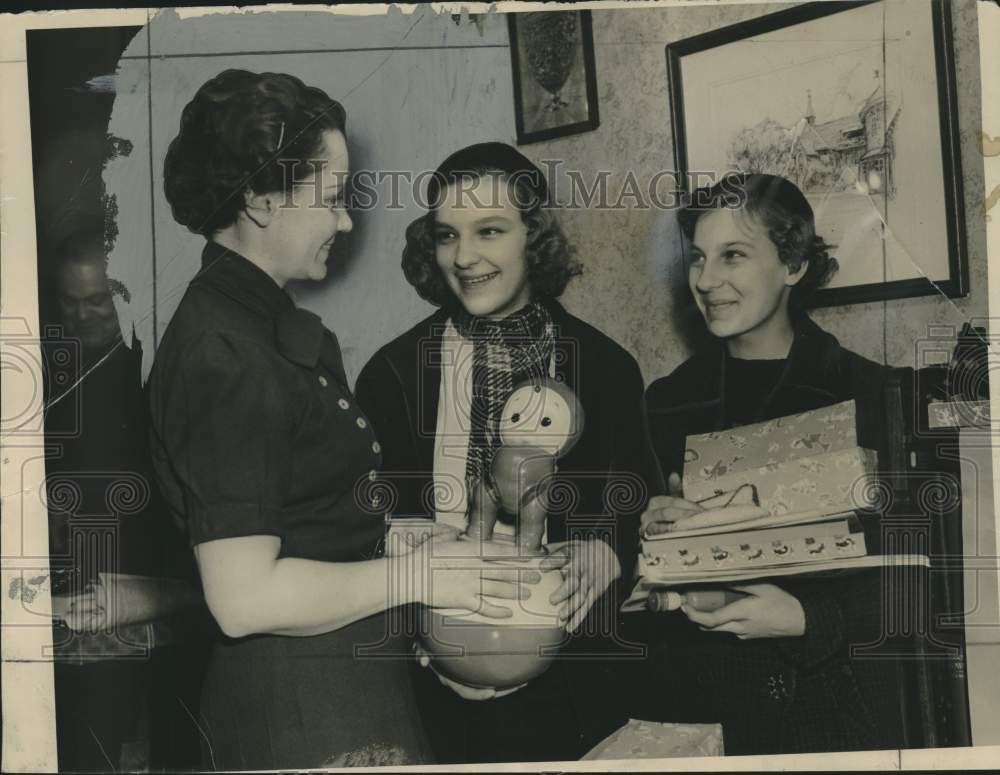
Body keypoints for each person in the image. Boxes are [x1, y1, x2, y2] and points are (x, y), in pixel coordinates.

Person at [148, 71, 529, 770]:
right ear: (262, 201)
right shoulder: (224, 352)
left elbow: (305, 513)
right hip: (299, 708)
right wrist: (423, 578)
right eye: (330, 200)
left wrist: (410, 537)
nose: (346, 221)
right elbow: (242, 597)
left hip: (345, 680)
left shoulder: (261, 326)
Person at [355, 142, 661, 763]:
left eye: (489, 231)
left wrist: (610, 549)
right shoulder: (389, 374)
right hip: (422, 694)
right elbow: (360, 524)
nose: (464, 257)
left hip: (571, 695)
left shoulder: (607, 369)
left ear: (535, 236)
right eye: (447, 236)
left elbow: (638, 509)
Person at [636, 173, 906, 754]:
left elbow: (923, 579)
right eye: (699, 259)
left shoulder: (875, 395)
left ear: (793, 265)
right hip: (707, 718)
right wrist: (651, 536)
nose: (706, 281)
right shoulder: (665, 403)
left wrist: (810, 616)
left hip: (836, 715)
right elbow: (638, 589)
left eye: (733, 255)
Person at [43, 229, 206, 772]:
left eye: (97, 302)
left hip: (163, 583)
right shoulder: (49, 371)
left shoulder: (156, 360)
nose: (83, 316)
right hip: (82, 593)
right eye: (70, 302)